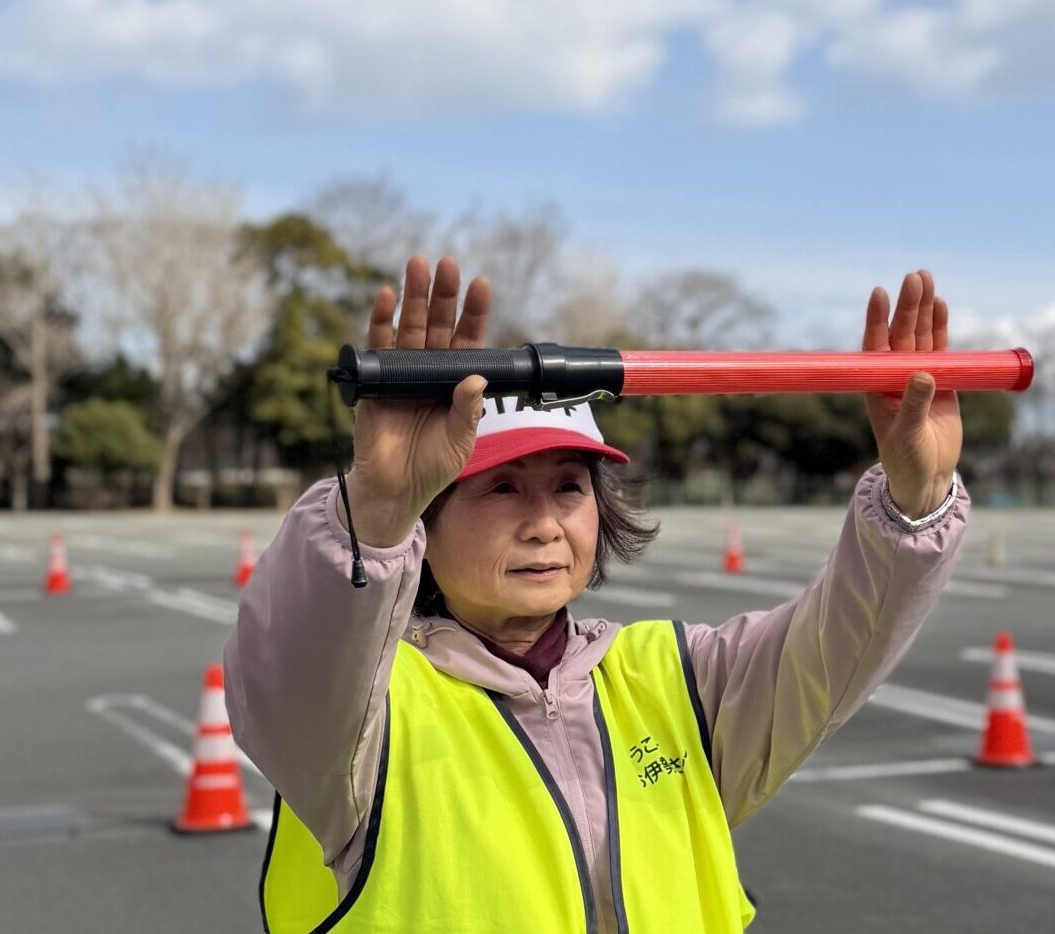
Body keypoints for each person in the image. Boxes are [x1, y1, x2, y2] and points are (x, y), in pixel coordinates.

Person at [226, 255, 970, 933]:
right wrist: (376, 510)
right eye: (502, 489)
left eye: (569, 487)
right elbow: (289, 672)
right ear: (428, 518)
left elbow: (845, 639)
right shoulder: (367, 714)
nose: (544, 524)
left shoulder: (680, 680)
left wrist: (917, 497)